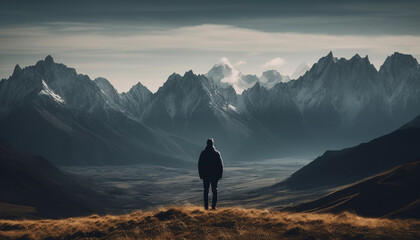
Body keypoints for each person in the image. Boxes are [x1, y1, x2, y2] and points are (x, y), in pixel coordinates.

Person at [198, 138, 223, 210]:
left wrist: (201, 174)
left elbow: (200, 165)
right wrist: (220, 174)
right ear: (213, 144)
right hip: (214, 175)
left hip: (205, 175)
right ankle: (213, 206)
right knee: (214, 190)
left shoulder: (203, 153)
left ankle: (206, 206)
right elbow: (220, 165)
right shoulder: (216, 153)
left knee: (206, 190)